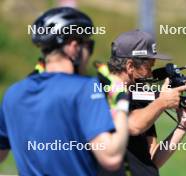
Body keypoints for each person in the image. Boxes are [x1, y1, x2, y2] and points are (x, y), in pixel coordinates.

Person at [0, 7, 128, 175]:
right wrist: (122, 100)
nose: (89, 53)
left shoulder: (13, 93)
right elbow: (111, 157)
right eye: (89, 45)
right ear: (73, 47)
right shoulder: (85, 88)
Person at [97, 30, 186, 176]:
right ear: (130, 66)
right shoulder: (102, 93)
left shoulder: (139, 97)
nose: (151, 74)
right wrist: (162, 102)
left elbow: (152, 159)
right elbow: (133, 125)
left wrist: (182, 125)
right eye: (149, 67)